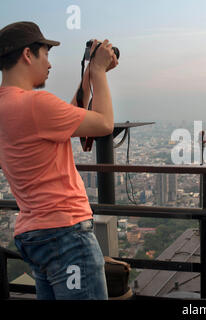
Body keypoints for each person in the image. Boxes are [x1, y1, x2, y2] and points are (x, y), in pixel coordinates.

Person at [0, 21, 118, 299]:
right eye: (46, 54)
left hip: (35, 235)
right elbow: (103, 124)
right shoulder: (34, 104)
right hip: (66, 236)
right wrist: (99, 72)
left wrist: (88, 74)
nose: (50, 65)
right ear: (28, 54)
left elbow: (66, 116)